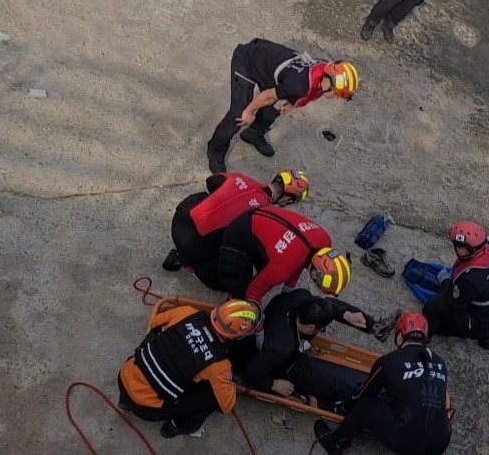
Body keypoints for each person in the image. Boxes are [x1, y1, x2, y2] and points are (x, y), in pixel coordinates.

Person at [206, 38, 359, 174]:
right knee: (239, 115)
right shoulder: (300, 84)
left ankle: (253, 133)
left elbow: (307, 93)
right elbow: (267, 96)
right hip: (247, 60)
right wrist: (249, 110)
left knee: (274, 108)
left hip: (269, 63)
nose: (336, 98)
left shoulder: (323, 69)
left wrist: (293, 104)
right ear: (327, 82)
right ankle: (215, 150)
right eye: (337, 94)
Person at [116, 299, 262, 438]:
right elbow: (226, 405)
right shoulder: (219, 364)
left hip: (124, 376)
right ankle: (176, 426)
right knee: (210, 398)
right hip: (147, 409)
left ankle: (124, 401)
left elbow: (155, 324)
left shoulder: (187, 312)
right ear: (237, 336)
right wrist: (228, 378)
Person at [236, 288, 398, 412]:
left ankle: (372, 326)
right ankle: (362, 396)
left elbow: (326, 305)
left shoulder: (299, 298)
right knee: (334, 383)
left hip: (275, 332)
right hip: (286, 366)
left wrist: (346, 314)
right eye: (320, 329)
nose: (320, 332)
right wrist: (273, 384)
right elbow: (250, 373)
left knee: (329, 305)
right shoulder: (282, 349)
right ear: (311, 327)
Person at [313, 312, 452, 455]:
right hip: (439, 443)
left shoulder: (389, 362)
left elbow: (364, 393)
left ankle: (336, 443)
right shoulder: (440, 363)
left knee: (363, 406)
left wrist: (344, 406)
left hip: (405, 441)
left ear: (399, 336)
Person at [162, 169, 310, 291]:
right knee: (234, 255)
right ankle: (188, 263)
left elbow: (211, 181)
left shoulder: (242, 178)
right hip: (193, 245)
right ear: (287, 199)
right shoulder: (261, 213)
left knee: (205, 198)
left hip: (180, 220)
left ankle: (181, 256)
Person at [215, 204, 352, 305]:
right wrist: (258, 328)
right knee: (240, 294)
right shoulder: (282, 269)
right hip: (238, 234)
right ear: (315, 273)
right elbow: (253, 293)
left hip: (261, 215)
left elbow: (301, 260)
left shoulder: (324, 239)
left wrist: (287, 296)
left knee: (266, 267)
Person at [422, 221, 489, 350]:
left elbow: (453, 303)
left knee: (434, 306)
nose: (456, 248)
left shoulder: (470, 280)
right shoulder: (488, 250)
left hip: (478, 321)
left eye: (459, 246)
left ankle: (422, 341)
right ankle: (488, 334)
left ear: (468, 250)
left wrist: (445, 281)